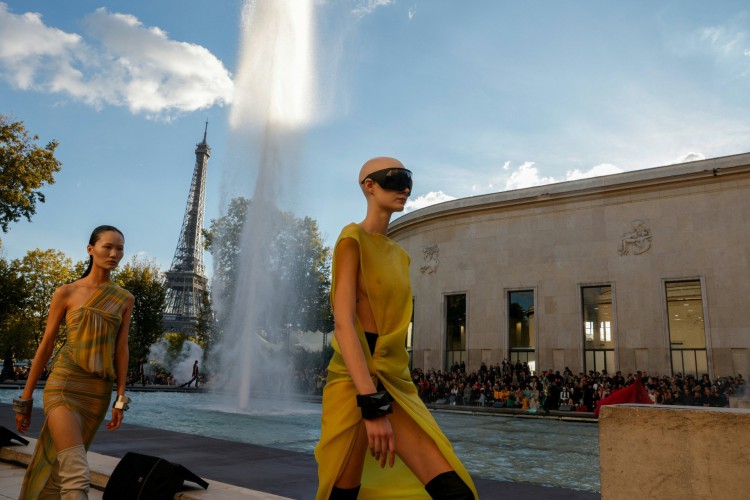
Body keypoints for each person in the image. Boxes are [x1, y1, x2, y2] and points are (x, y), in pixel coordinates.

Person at [315, 158, 477, 499]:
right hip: (353, 380)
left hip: (394, 379)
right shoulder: (351, 239)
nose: (404, 187)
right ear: (368, 186)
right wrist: (370, 404)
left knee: (455, 491)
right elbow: (343, 322)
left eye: (408, 180)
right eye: (394, 179)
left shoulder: (399, 255)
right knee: (342, 492)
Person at [14, 225, 134, 499]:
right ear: (91, 249)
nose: (114, 254)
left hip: (97, 393)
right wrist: (25, 399)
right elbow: (45, 346)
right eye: (108, 247)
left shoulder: (125, 298)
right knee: (77, 475)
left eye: (120, 249)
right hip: (64, 386)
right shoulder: (66, 292)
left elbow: (121, 349)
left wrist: (121, 398)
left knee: (60, 474)